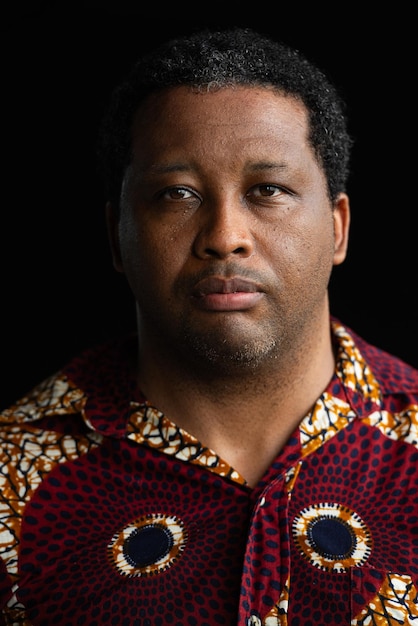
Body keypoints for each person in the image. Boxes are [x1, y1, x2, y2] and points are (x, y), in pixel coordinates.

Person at [0, 25, 417, 626]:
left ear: (338, 228)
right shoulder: (15, 476)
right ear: (118, 236)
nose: (224, 236)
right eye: (177, 194)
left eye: (267, 190)